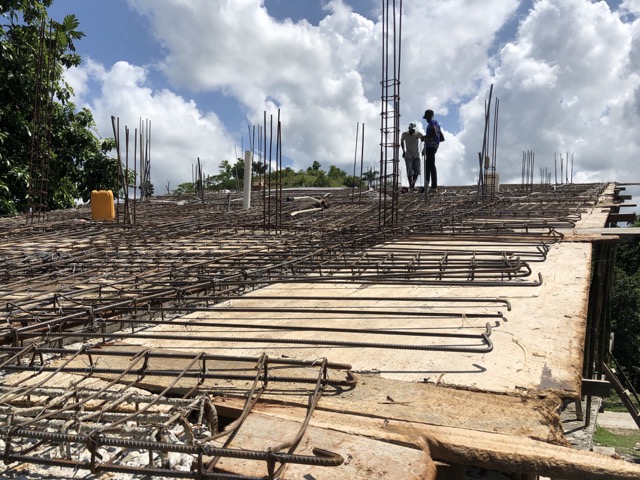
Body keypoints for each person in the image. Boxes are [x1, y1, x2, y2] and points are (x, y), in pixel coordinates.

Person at [422, 109, 444, 193]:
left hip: (431, 147)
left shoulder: (432, 122)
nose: (426, 120)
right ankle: (427, 185)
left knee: (431, 165)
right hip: (432, 146)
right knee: (428, 166)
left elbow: (434, 134)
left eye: (427, 117)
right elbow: (441, 137)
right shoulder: (437, 124)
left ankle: (433, 187)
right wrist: (434, 142)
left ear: (430, 116)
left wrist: (425, 137)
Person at [400, 122, 423, 192]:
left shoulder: (417, 134)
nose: (413, 131)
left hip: (416, 154)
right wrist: (403, 151)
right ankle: (411, 186)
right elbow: (402, 142)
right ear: (409, 128)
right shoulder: (404, 134)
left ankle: (413, 184)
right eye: (411, 130)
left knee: (417, 171)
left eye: (413, 130)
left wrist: (424, 140)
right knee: (409, 171)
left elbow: (423, 138)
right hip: (408, 154)